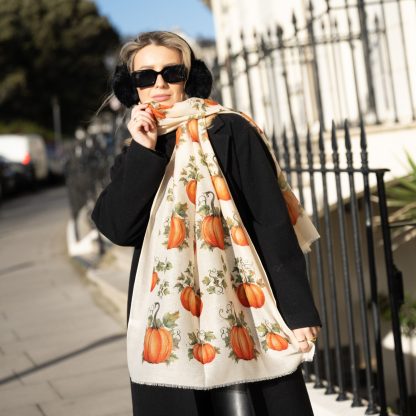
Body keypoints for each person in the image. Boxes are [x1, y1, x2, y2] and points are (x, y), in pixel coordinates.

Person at [92, 31, 322, 416]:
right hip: (166, 320)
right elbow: (119, 228)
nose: (159, 84)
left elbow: (271, 223)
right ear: (132, 87)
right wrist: (144, 151)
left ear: (190, 77)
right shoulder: (140, 144)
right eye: (145, 77)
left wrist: (298, 312)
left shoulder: (230, 129)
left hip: (243, 304)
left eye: (171, 72)